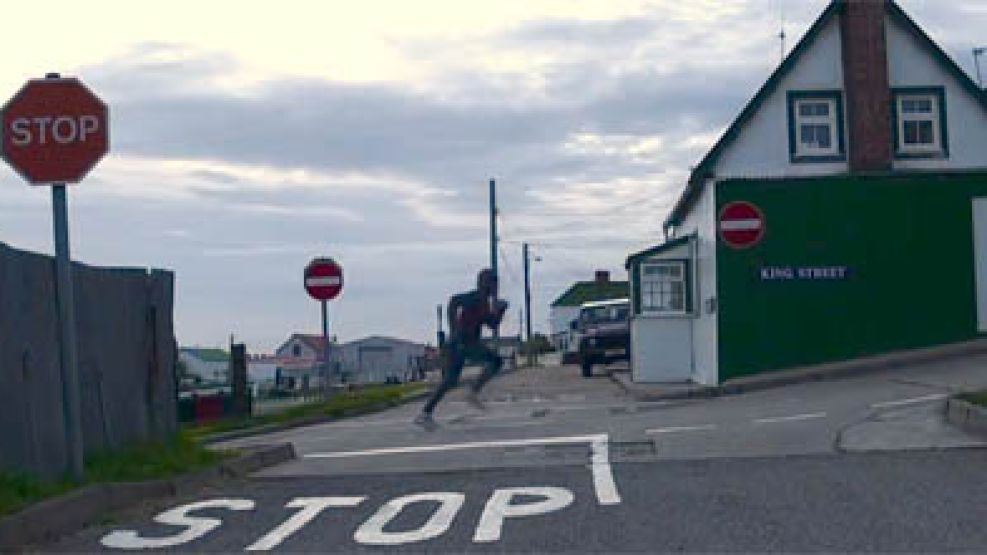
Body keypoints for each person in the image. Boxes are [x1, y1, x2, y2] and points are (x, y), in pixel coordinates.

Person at [414, 268, 508, 430]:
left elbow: (492, 324)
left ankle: (425, 413)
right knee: (496, 361)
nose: (496, 288)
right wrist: (454, 327)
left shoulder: (485, 303)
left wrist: (500, 310)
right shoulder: (474, 297)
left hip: (462, 343)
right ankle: (472, 391)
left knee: (450, 380)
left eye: (496, 284)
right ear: (485, 284)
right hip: (462, 342)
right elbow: (453, 302)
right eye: (493, 284)